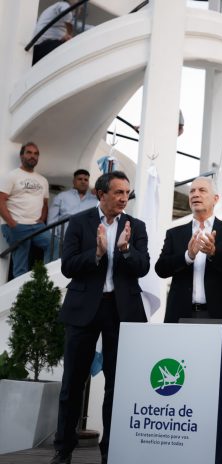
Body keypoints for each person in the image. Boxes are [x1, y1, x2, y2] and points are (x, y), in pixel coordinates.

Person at [50, 171, 149, 464]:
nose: (124, 198)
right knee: (72, 383)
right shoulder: (79, 222)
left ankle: (110, 452)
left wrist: (126, 250)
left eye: (127, 193)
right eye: (118, 192)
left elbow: (143, 267)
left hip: (122, 312)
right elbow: (68, 266)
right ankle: (63, 450)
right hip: (83, 310)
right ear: (100, 194)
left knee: (117, 385)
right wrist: (96, 253)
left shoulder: (136, 226)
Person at [155, 176, 222, 322]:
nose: (195, 194)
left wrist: (213, 253)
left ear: (215, 199)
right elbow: (161, 269)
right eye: (192, 191)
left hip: (219, 314)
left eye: (202, 190)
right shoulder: (175, 233)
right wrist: (188, 256)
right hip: (181, 314)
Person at [0, 142, 51, 278]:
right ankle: (20, 289)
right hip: (16, 223)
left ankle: (46, 277)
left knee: (53, 244)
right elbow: (1, 200)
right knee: (21, 257)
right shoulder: (12, 176)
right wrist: (12, 223)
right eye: (29, 152)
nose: (32, 156)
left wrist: (42, 219)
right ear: (21, 155)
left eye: (36, 154)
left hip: (36, 225)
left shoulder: (43, 180)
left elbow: (45, 203)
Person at [47, 169, 98, 260]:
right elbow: (52, 220)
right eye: (80, 179)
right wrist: (55, 239)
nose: (83, 182)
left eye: (86, 180)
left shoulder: (95, 201)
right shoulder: (62, 196)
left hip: (85, 244)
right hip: (62, 241)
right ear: (74, 181)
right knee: (56, 265)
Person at [32, 0, 78, 64]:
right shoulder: (64, 4)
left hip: (38, 48)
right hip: (45, 46)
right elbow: (65, 12)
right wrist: (68, 33)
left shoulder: (53, 8)